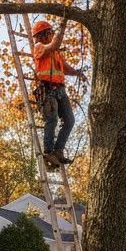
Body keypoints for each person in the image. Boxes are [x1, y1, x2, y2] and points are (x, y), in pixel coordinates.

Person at [32, 18, 84, 169]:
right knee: (52, 119)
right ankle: (48, 151)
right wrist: (63, 25)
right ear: (44, 34)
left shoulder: (55, 53)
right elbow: (55, 44)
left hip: (60, 89)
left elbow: (65, 68)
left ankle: (58, 151)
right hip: (47, 89)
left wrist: (76, 72)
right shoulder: (39, 47)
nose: (53, 34)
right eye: (51, 32)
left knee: (69, 120)